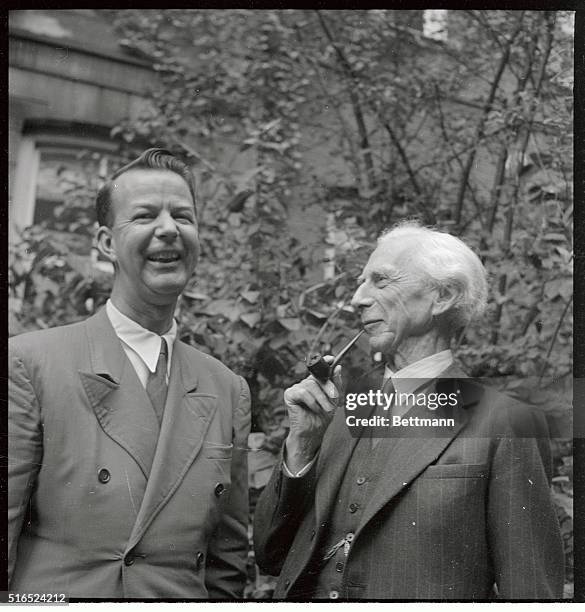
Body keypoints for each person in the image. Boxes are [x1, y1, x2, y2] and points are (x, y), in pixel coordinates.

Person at [254, 221, 564, 600]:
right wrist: (301, 445)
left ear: (443, 296)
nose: (358, 298)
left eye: (380, 281)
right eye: (361, 281)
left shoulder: (503, 423)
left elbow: (530, 591)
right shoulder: (340, 405)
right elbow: (270, 556)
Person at [8, 148, 251, 599]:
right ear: (105, 243)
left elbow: (226, 565)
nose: (168, 229)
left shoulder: (226, 389)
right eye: (144, 216)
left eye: (183, 216)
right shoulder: (30, 364)